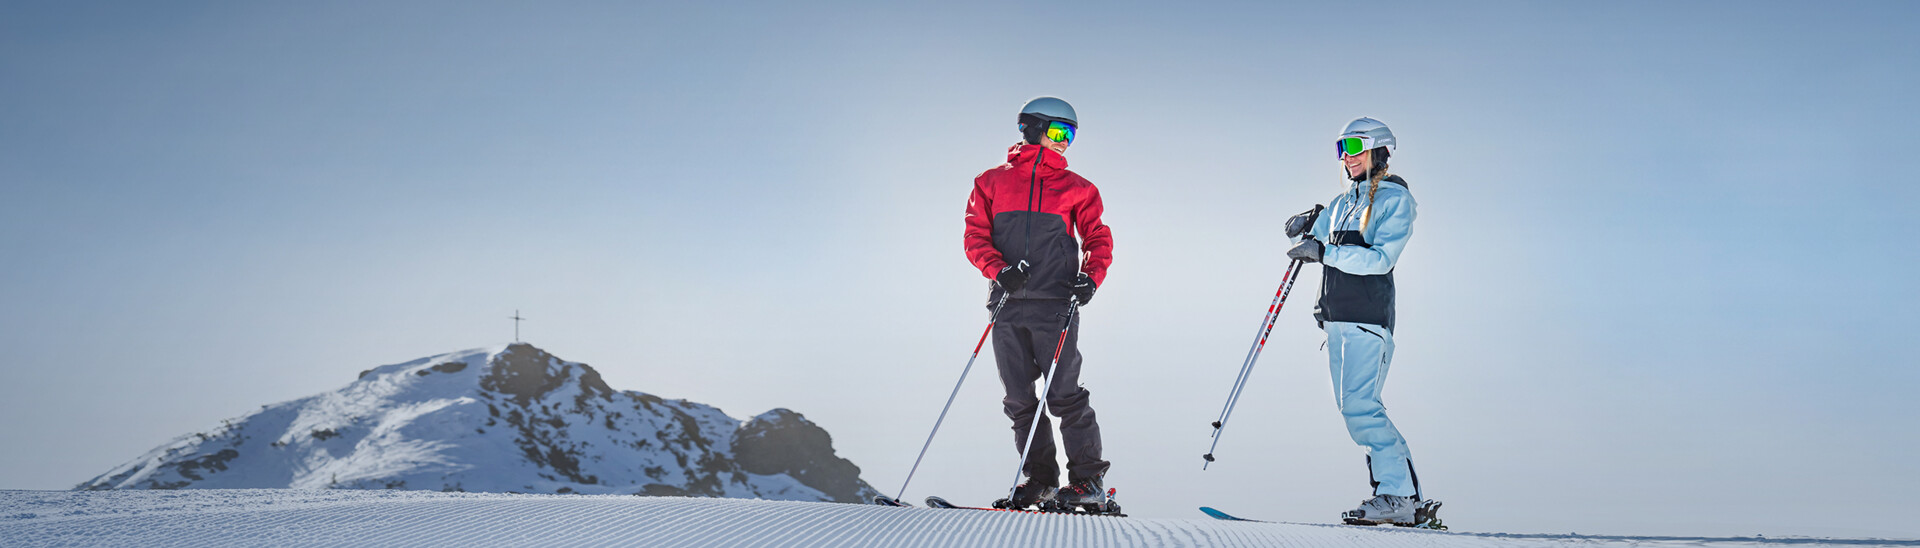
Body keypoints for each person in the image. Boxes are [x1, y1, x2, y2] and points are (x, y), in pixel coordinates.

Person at [962, 97, 1113, 510]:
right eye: (1060, 132)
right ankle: (1040, 480)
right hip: (1008, 304)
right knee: (1018, 399)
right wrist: (998, 270)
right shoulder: (990, 182)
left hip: (1055, 303)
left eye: (1072, 135)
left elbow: (1097, 235)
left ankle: (1088, 482)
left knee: (1064, 393)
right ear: (1031, 128)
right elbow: (975, 236)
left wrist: (1092, 277)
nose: (1066, 143)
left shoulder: (1078, 188)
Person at [1285, 117, 1436, 526]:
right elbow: (1316, 235)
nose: (1346, 157)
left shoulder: (1393, 201)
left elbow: (1380, 259)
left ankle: (1399, 496)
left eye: (1353, 146)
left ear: (1378, 150)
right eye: (1341, 148)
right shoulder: (1342, 202)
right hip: (1337, 320)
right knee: (1353, 409)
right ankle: (1403, 498)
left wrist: (1324, 253)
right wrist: (1303, 225)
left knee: (1362, 408)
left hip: (1368, 318)